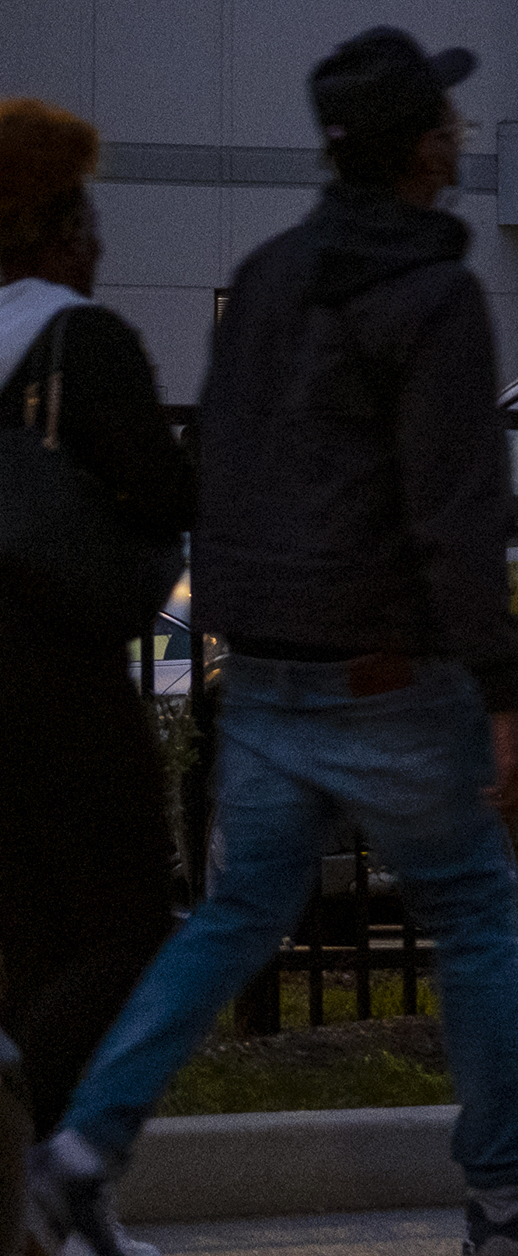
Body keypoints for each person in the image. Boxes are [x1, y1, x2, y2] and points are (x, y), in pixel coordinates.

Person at [26, 31, 518, 1256]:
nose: (460, 140)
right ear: (424, 150)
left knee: (233, 917)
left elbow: (224, 469)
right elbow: (456, 515)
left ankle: (84, 1148)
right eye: (448, 125)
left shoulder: (267, 276)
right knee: (471, 913)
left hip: (264, 669)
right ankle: (507, 1200)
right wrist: (507, 696)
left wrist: (238, 631)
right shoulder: (437, 296)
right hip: (390, 675)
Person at [0, 98, 192, 1243]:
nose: (103, 242)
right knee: (128, 927)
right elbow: (167, 494)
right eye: (92, 218)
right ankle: (49, 1128)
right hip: (57, 665)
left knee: (33, 929)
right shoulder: (83, 342)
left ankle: (63, 1206)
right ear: (62, 226)